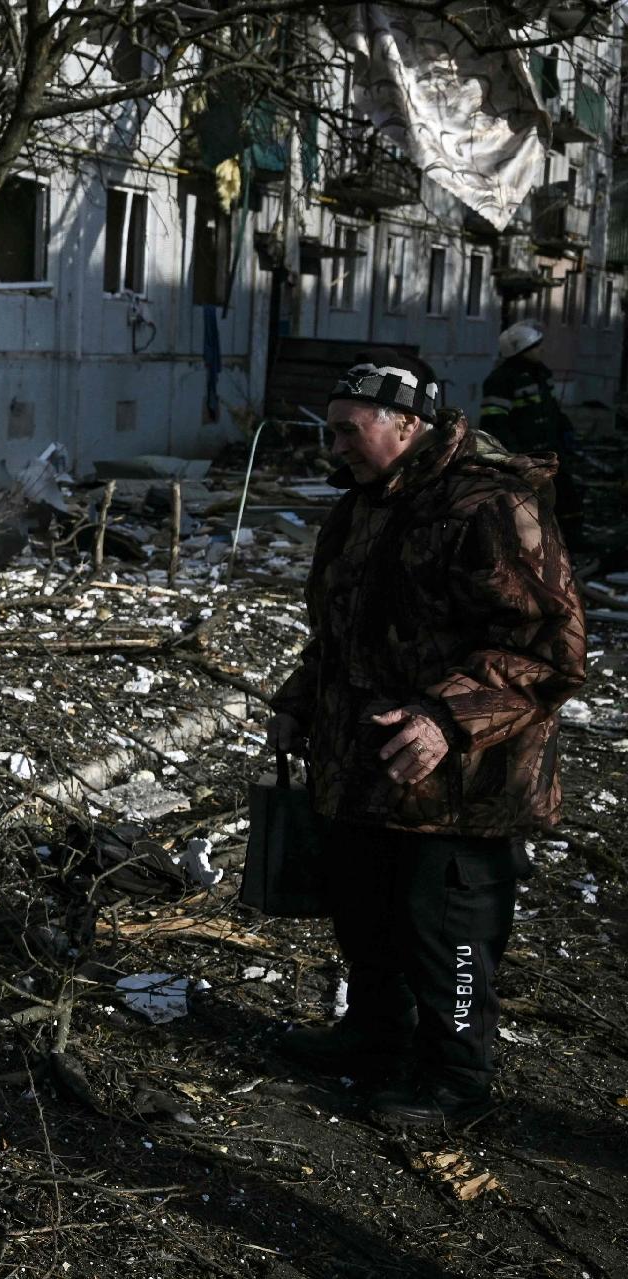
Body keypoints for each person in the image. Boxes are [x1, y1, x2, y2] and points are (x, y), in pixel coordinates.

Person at [267, 350, 585, 1125]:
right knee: (364, 911)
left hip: (463, 785)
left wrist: (445, 718)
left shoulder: (488, 505)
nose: (333, 444)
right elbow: (339, 633)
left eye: (349, 429)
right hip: (367, 768)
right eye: (331, 428)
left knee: (446, 935)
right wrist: (299, 703)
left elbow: (550, 648)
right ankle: (377, 1038)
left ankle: (455, 1080)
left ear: (407, 424)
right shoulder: (365, 504)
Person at [480, 319, 583, 547]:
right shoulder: (501, 380)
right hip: (526, 454)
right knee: (527, 504)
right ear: (522, 349)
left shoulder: (541, 375)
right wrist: (513, 454)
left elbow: (551, 409)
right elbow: (494, 421)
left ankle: (572, 541)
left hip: (550, 449)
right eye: (536, 346)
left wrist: (566, 429)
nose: (541, 350)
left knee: (566, 495)